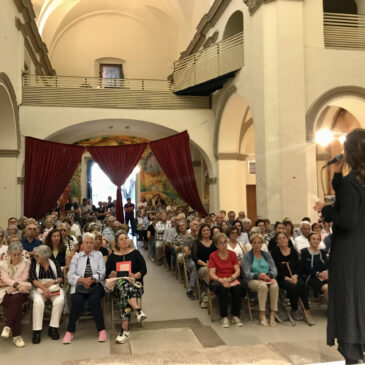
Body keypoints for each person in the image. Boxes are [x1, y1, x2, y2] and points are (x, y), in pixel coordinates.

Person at [314, 129, 365, 364]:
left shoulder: (350, 182)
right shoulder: (353, 182)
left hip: (349, 251)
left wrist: (326, 210)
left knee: (349, 298)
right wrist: (336, 177)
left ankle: (352, 353)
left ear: (351, 152)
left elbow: (348, 219)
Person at [63, 232, 107, 344]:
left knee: (94, 301)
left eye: (91, 242)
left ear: (94, 244)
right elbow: (70, 275)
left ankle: (101, 330)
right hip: (80, 285)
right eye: (87, 242)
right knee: (76, 301)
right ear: (82, 244)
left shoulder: (99, 255)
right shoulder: (76, 257)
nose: (89, 245)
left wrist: (92, 279)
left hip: (96, 285)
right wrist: (83, 280)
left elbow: (102, 272)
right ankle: (69, 331)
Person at [106, 232, 147, 344]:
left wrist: (135, 275)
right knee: (123, 284)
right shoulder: (113, 257)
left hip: (135, 286)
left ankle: (125, 330)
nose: (125, 240)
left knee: (125, 292)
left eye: (126, 238)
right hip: (117, 289)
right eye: (121, 239)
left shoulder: (136, 253)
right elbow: (106, 274)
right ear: (117, 243)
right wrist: (111, 274)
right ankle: (137, 310)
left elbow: (144, 270)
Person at [271, 232, 314, 325]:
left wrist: (295, 275)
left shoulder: (293, 251)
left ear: (287, 239)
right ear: (277, 241)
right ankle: (294, 308)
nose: (282, 240)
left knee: (302, 285)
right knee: (292, 287)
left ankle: (306, 311)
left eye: (284, 238)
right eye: (279, 238)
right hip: (282, 278)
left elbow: (299, 266)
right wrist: (288, 279)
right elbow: (275, 269)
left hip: (294, 275)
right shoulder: (274, 252)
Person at [208, 233, 246, 327]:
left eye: (225, 242)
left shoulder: (232, 254)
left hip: (231, 278)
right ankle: (224, 317)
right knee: (222, 290)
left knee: (238, 288)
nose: (224, 244)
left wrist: (230, 279)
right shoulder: (213, 255)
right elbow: (211, 273)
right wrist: (221, 280)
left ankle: (235, 315)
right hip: (218, 279)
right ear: (216, 245)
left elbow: (237, 271)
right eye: (221, 243)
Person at [30, 245, 65, 343]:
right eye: (35, 256)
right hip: (39, 288)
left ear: (44, 256)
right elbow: (33, 279)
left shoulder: (54, 263)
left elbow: (61, 277)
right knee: (38, 302)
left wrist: (53, 282)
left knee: (59, 300)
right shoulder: (33, 264)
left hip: (53, 287)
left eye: (37, 256)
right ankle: (37, 331)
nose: (35, 258)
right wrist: (44, 289)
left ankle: (53, 328)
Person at [243, 233, 278, 327]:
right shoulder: (247, 256)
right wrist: (259, 276)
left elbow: (274, 269)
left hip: (267, 277)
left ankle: (272, 314)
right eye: (254, 243)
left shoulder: (267, 255)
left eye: (259, 243)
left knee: (275, 286)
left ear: (262, 244)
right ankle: (262, 314)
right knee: (262, 286)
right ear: (251, 244)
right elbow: (247, 273)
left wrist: (269, 275)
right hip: (253, 279)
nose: (257, 245)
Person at [0, 242, 31, 348]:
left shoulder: (26, 263)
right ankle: (16, 336)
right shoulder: (3, 264)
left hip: (22, 291)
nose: (17, 257)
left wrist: (13, 285)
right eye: (14, 254)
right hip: (6, 292)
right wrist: (16, 284)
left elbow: (24, 278)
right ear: (9, 254)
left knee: (16, 298)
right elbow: (4, 278)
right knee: (15, 303)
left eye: (19, 254)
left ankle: (8, 326)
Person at [301, 232, 329, 302]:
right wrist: (318, 274)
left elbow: (327, 265)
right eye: (313, 239)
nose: (316, 241)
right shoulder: (304, 252)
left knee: (338, 285)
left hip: (324, 276)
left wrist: (326, 272)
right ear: (309, 240)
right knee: (327, 288)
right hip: (311, 277)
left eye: (318, 239)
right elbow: (307, 268)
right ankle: (332, 310)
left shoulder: (322, 252)